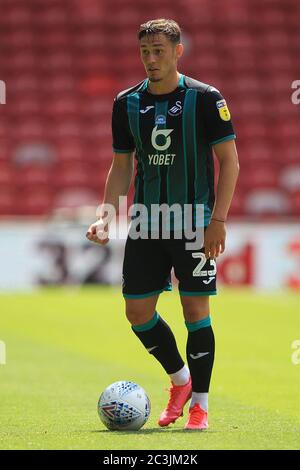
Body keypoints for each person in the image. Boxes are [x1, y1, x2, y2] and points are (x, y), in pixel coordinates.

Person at [86, 18, 239, 430]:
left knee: (195, 311)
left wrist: (218, 220)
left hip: (194, 221)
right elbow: (121, 165)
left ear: (177, 51)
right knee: (137, 312)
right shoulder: (126, 103)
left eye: (158, 51)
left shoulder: (206, 99)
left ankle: (201, 406)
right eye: (145, 52)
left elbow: (230, 162)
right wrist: (106, 215)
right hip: (146, 221)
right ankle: (181, 380)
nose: (151, 59)